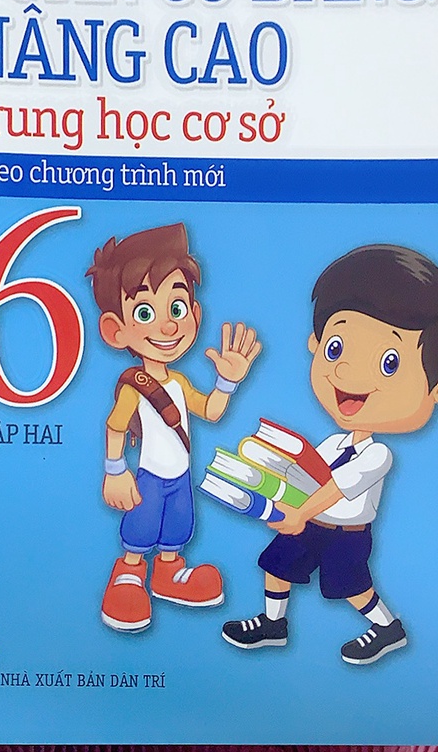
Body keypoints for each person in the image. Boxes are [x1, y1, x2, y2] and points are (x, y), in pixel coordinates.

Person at [221, 245, 438, 664]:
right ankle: (273, 623)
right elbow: (308, 476)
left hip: (346, 534)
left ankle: (387, 627)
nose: (346, 372)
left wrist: (299, 513)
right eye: (336, 348)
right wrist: (273, 488)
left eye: (389, 363)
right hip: (310, 523)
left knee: (353, 587)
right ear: (316, 343)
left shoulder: (378, 456)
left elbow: (337, 487)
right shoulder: (333, 444)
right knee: (278, 564)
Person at [87, 223, 261, 632]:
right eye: (145, 313)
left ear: (194, 315)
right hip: (149, 475)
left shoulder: (180, 383)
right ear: (116, 330)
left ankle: (169, 572)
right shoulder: (134, 385)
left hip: (180, 476)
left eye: (177, 308)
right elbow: (115, 426)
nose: (167, 327)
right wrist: (115, 470)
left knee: (178, 526)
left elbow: (211, 412)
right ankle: (129, 573)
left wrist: (227, 382)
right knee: (141, 526)